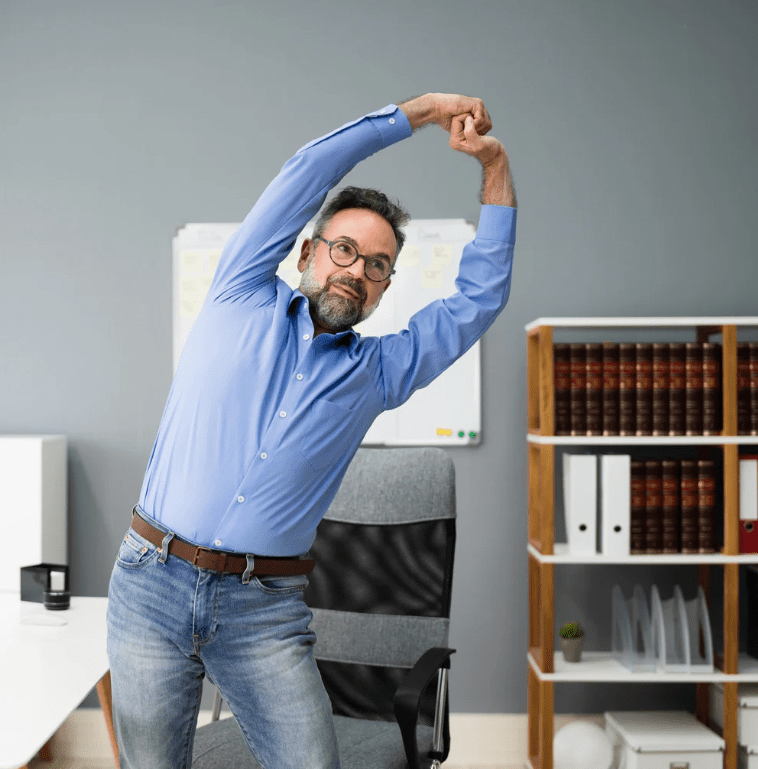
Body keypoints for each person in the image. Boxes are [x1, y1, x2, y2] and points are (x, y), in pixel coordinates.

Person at [106, 92, 516, 768]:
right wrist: (417, 113)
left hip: (262, 612)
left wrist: (493, 166)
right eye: (345, 250)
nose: (357, 270)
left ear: (384, 289)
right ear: (307, 251)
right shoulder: (238, 290)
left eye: (376, 265)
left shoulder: (379, 372)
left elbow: (479, 299)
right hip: (150, 582)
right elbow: (308, 168)